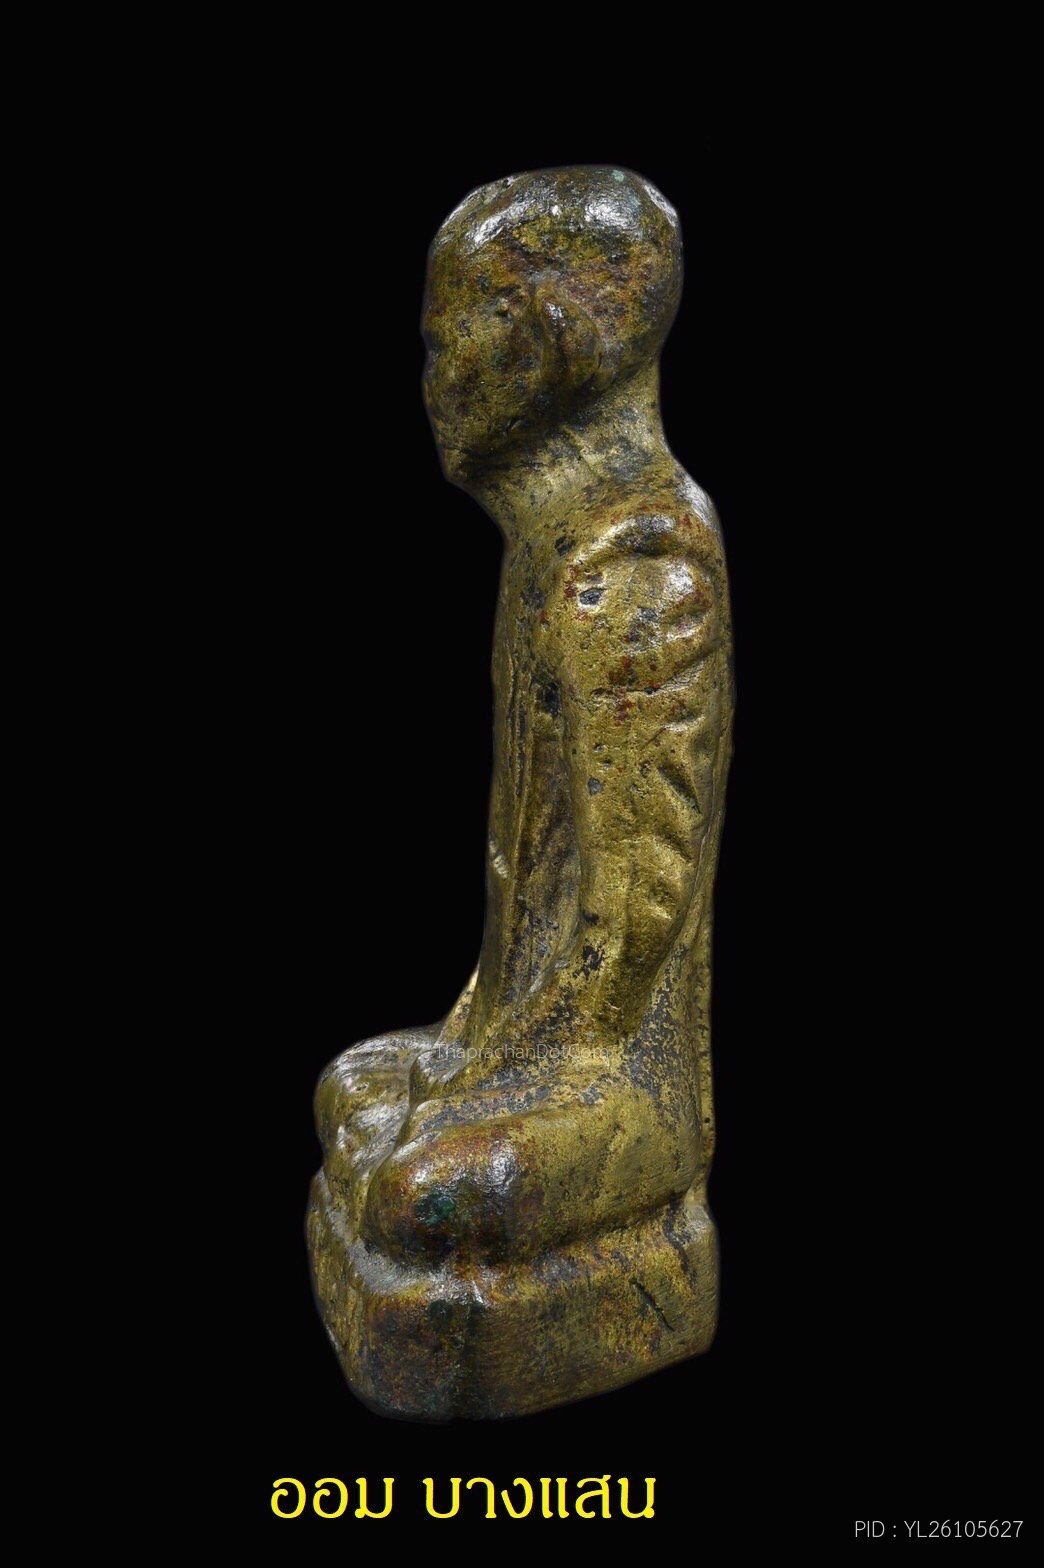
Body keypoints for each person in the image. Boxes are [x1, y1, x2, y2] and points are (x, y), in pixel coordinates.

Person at [309, 167, 734, 1417]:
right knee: (353, 1089)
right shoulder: (554, 552)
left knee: (427, 1192)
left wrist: (495, 1085)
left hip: (615, 1075)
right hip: (522, 1040)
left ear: (544, 347)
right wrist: (472, 1050)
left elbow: (632, 933)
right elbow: (523, 928)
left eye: (447, 343)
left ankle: (634, 1247)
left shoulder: (640, 565)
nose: (435, 380)